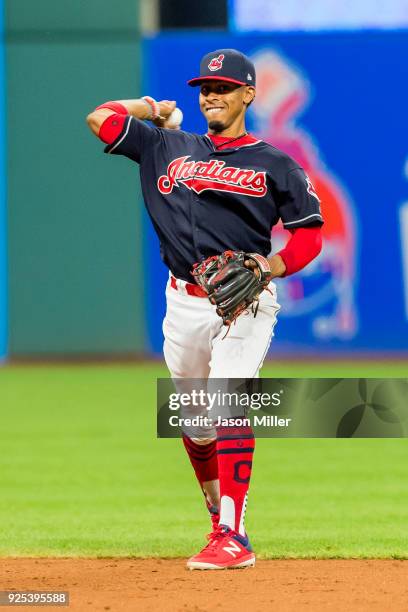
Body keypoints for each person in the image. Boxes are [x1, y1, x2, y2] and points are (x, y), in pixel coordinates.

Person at [86, 49, 323, 570]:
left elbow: (309, 236)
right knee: (195, 424)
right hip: (183, 301)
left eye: (223, 87)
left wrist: (271, 266)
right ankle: (219, 518)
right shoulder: (166, 145)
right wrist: (151, 108)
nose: (211, 95)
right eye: (205, 88)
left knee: (227, 402)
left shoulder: (275, 163)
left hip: (246, 301)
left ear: (248, 94)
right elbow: (101, 118)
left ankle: (234, 538)